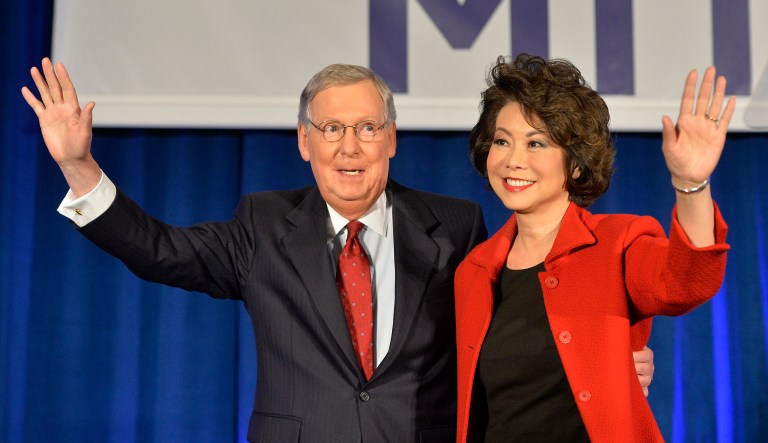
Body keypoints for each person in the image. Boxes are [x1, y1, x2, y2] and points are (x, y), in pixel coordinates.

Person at [22, 57, 654, 442]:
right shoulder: (262, 227)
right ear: (304, 141)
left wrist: (610, 361)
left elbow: (501, 331)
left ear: (392, 139)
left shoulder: (455, 226)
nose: (349, 147)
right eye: (331, 129)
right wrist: (79, 168)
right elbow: (158, 249)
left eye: (366, 128)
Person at [454, 54, 733, 442]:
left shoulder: (618, 243)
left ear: (576, 165)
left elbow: (686, 285)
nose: (513, 160)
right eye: (502, 141)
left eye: (536, 143)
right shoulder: (474, 269)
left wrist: (691, 184)